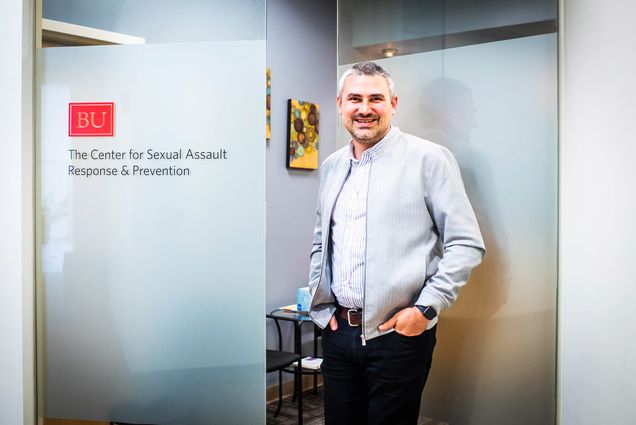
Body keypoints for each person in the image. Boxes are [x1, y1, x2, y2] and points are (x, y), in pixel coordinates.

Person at [307, 62, 485, 425]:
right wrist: (321, 309)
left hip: (397, 336)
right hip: (340, 333)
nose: (365, 108)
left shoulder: (429, 159)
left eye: (376, 98)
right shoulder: (331, 166)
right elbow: (320, 241)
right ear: (340, 103)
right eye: (355, 98)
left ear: (393, 104)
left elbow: (466, 243)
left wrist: (425, 310)